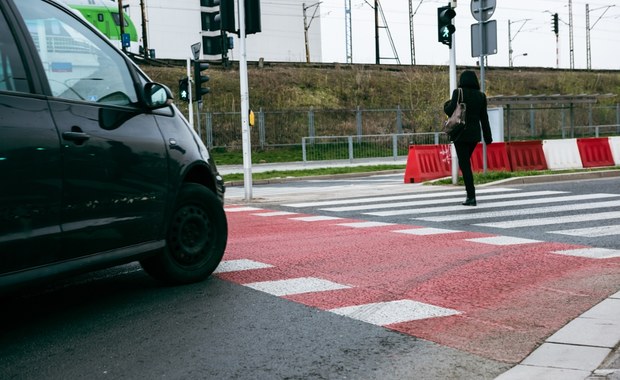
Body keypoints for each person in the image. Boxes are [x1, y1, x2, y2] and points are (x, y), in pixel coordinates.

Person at [444, 70, 493, 206]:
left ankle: (471, 196)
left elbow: (449, 111)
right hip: (474, 135)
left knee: (465, 164)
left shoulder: (458, 92)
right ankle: (470, 195)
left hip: (460, 133)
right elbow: (484, 118)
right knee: (465, 163)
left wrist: (446, 104)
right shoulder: (481, 96)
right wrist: (488, 137)